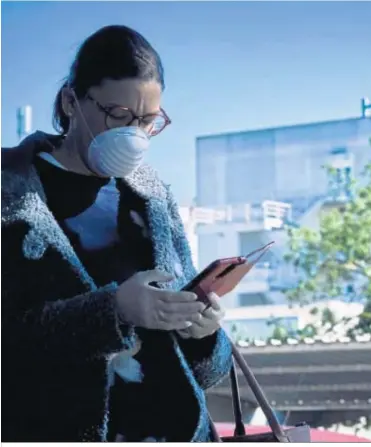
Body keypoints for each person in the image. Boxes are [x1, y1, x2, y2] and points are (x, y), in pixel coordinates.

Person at [2, 25, 232, 442]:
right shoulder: (9, 189)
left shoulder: (152, 195)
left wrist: (204, 333)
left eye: (147, 121)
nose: (134, 135)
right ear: (72, 100)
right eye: (119, 116)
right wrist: (113, 312)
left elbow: (205, 373)